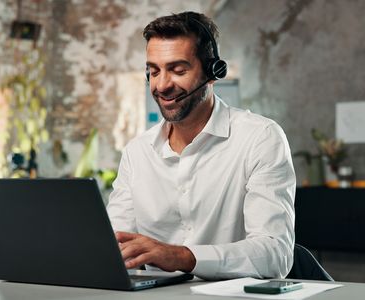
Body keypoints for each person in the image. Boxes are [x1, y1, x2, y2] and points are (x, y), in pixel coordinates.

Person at [107, 11, 296, 280]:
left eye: (178, 70)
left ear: (213, 72)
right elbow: (116, 243)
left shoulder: (260, 138)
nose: (162, 85)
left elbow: (275, 254)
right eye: (154, 71)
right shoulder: (137, 152)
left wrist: (182, 256)